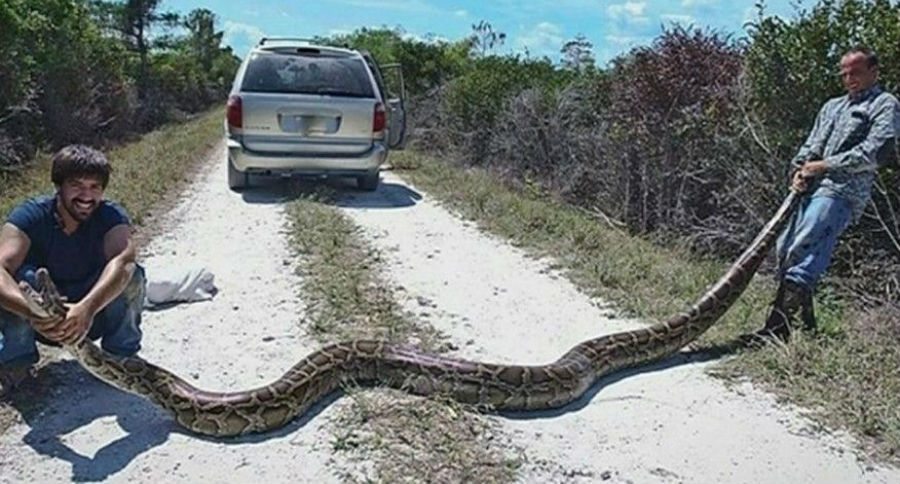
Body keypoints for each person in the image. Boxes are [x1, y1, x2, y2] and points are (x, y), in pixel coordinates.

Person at [754, 46, 900, 340]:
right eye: (844, 73)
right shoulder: (831, 106)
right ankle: (805, 325)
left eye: (856, 72)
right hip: (807, 188)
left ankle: (775, 329)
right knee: (785, 250)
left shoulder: (885, 104)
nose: (849, 79)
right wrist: (799, 168)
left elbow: (876, 152)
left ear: (874, 71)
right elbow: (812, 144)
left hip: (841, 191)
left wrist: (824, 166)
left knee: (805, 245)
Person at [0, 144, 146, 396]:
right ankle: (16, 364)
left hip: (92, 314)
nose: (87, 196)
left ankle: (121, 357)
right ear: (59, 186)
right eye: (77, 185)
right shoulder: (29, 215)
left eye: (95, 187)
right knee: (19, 279)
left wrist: (86, 308)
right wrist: (33, 312)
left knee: (132, 274)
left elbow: (123, 260)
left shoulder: (111, 216)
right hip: (41, 319)